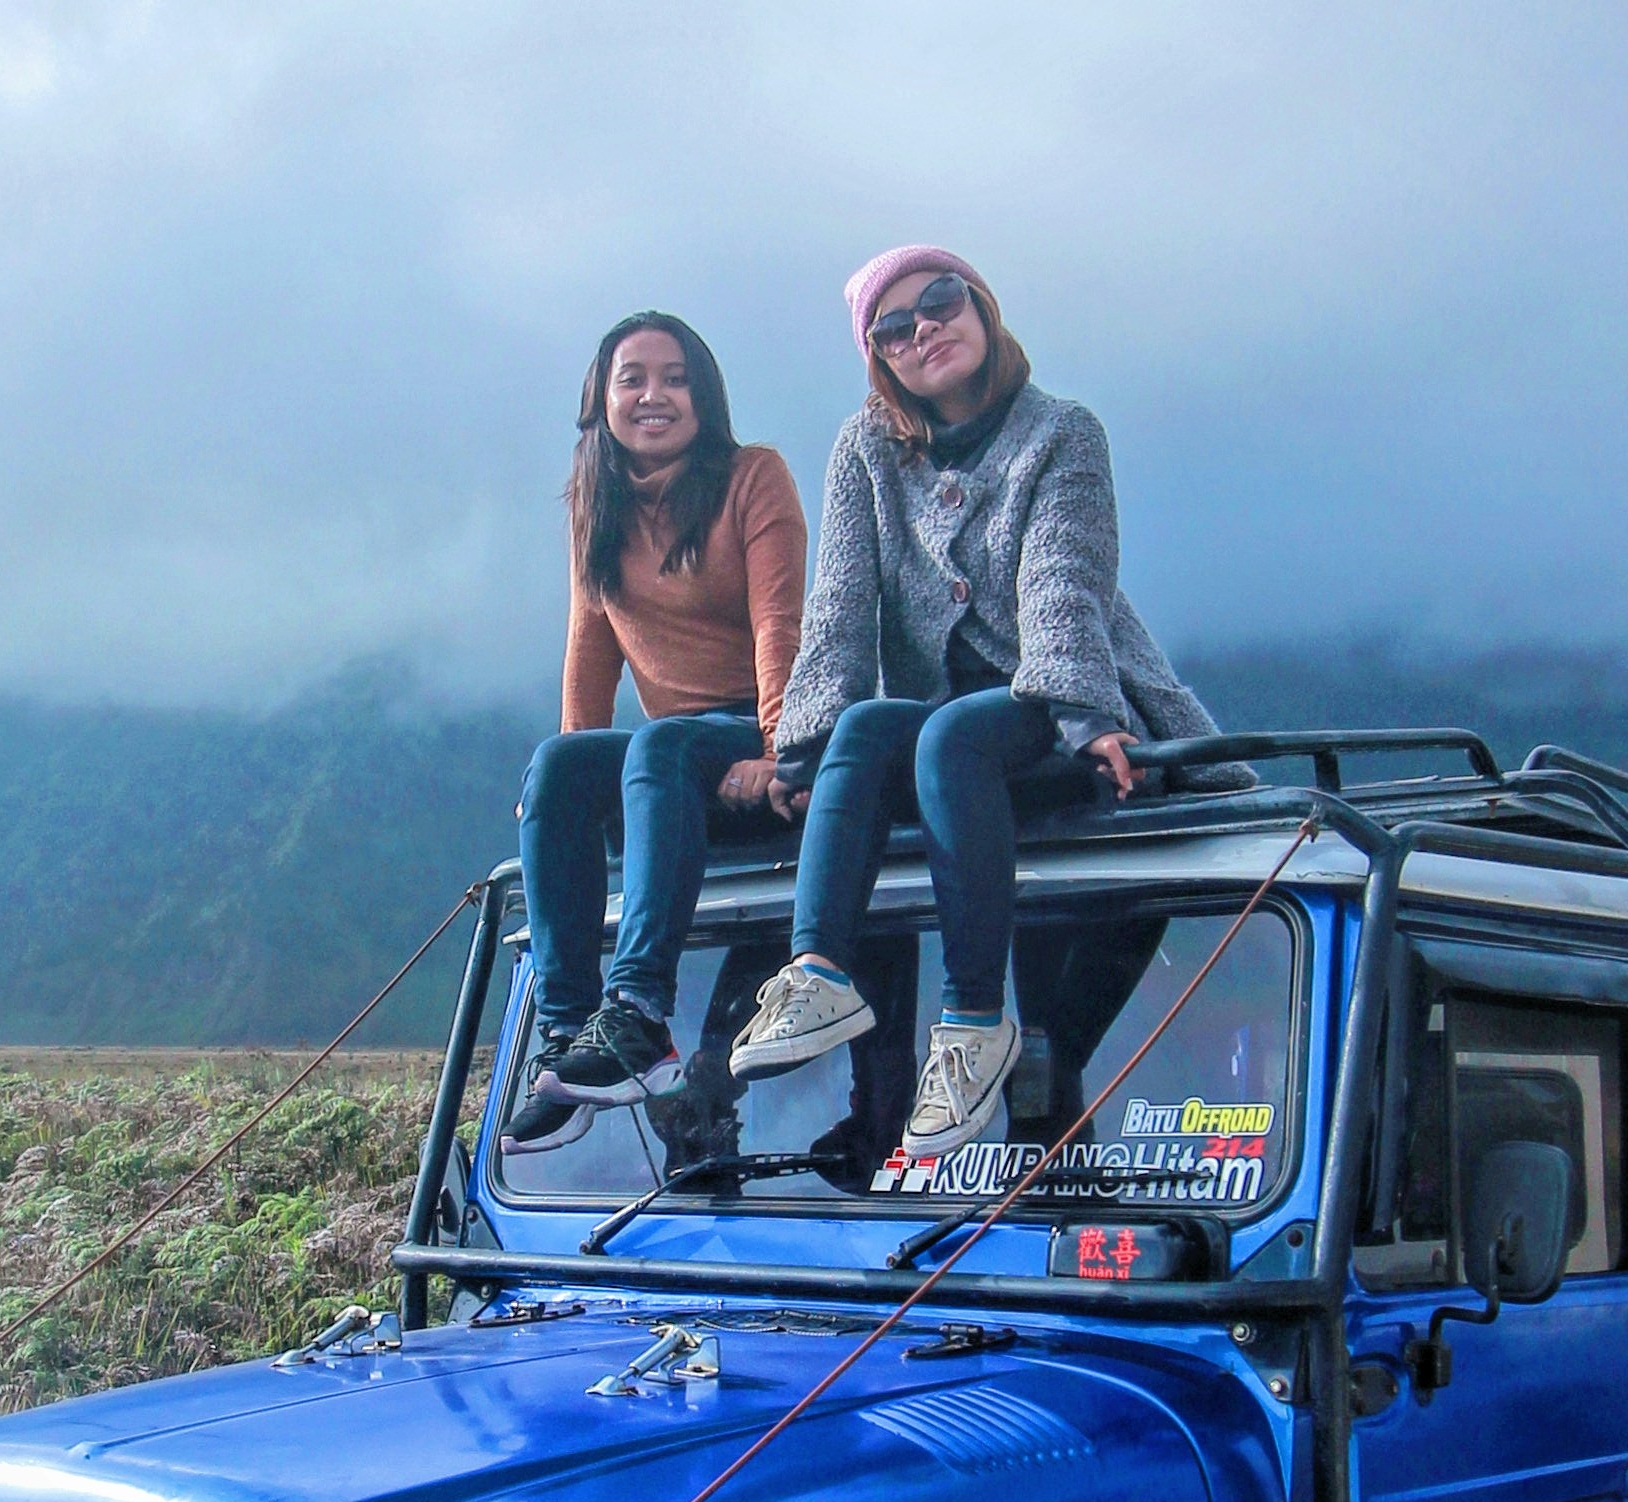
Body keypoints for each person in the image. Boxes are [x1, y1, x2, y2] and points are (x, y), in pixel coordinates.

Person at [731, 250, 1214, 1165]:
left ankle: (973, 1021)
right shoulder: (866, 449)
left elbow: (1063, 584)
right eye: (895, 327)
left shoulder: (1062, 432)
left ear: (982, 308)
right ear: (881, 358)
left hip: (1064, 702)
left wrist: (1082, 712)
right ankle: (818, 972)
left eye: (940, 302)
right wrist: (801, 752)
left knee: (949, 733)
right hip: (948, 728)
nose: (925, 330)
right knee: (873, 727)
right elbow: (837, 608)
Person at [510, 311, 808, 1138]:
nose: (655, 395)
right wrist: (565, 782)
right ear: (600, 399)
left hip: (755, 723)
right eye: (633, 378)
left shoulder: (754, 476)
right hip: (666, 755)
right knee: (558, 769)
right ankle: (570, 1037)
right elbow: (589, 646)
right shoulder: (593, 505)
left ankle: (639, 1010)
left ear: (704, 395)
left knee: (659, 745)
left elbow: (779, 624)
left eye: (676, 378)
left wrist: (785, 750)